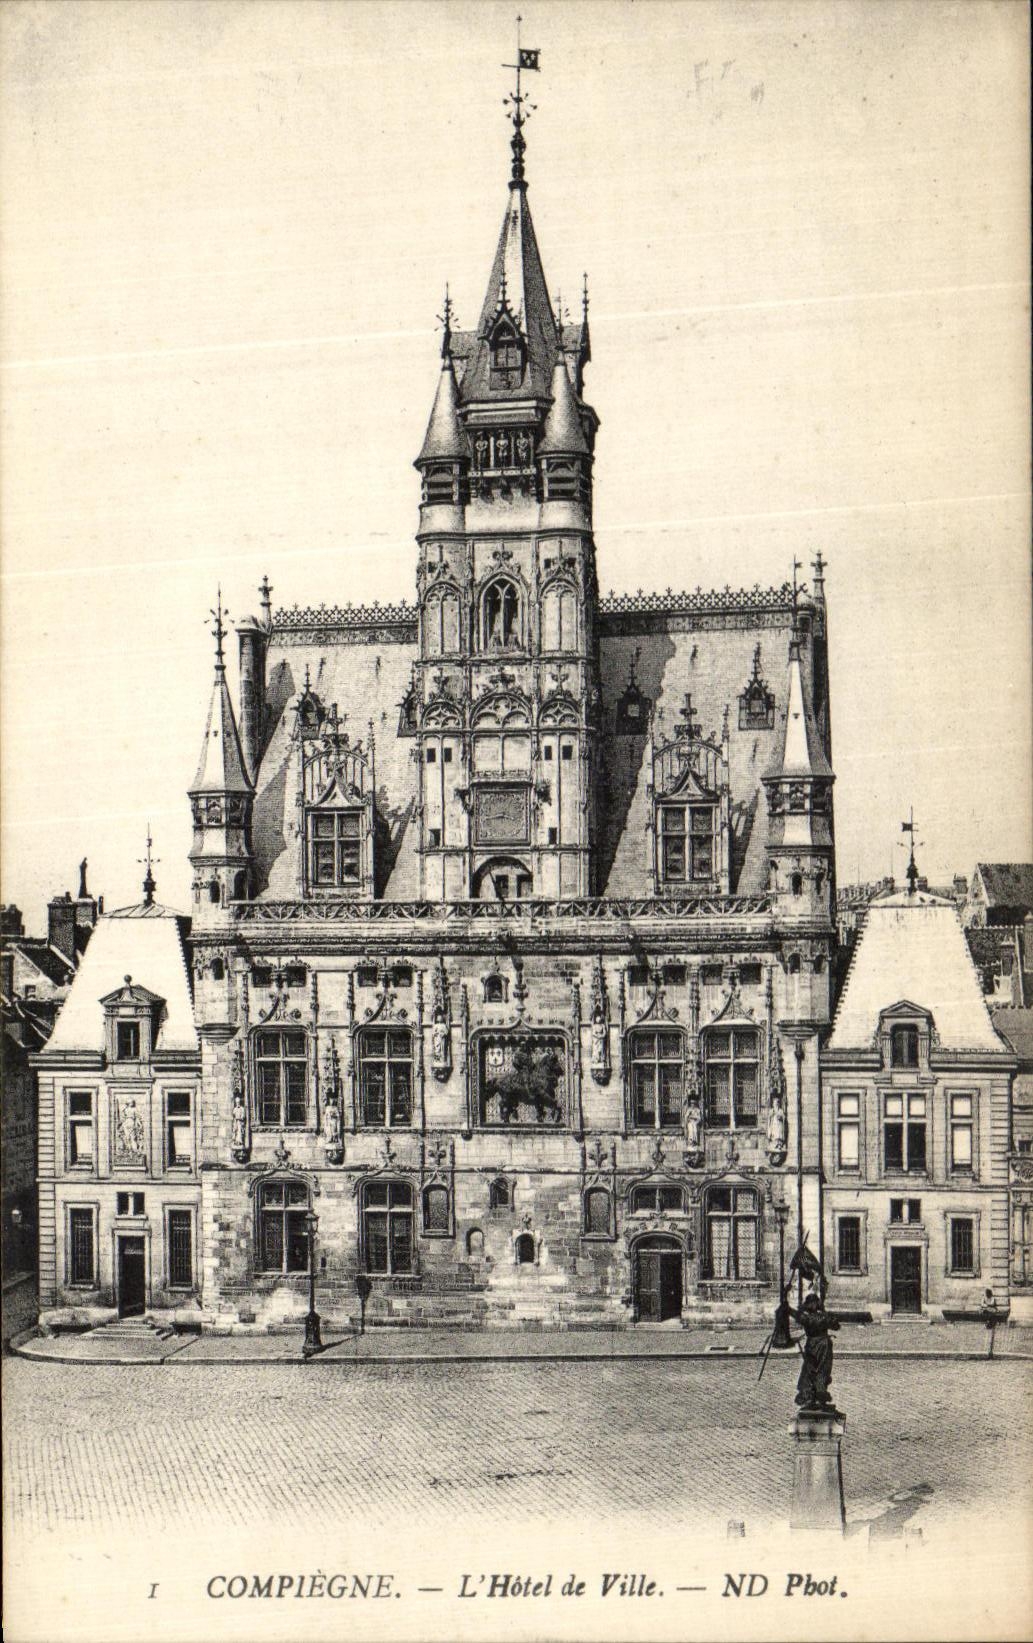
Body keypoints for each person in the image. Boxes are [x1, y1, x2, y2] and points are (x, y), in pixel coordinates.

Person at [788, 1288, 841, 1410]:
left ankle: (810, 1397)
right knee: (822, 1370)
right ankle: (820, 1397)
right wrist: (827, 1315)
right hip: (824, 1345)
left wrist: (788, 1307)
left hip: (812, 1345)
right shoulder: (824, 1317)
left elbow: (796, 1314)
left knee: (809, 1371)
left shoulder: (806, 1318)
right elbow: (836, 1326)